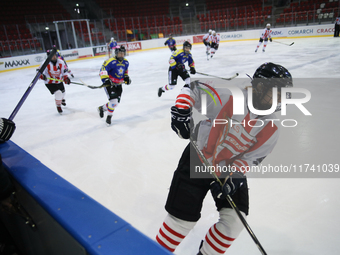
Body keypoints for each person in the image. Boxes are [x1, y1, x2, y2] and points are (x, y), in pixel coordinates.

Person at [156, 62, 293, 255]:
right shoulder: (229, 96)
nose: (280, 98)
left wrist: (236, 176)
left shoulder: (272, 126)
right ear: (260, 87)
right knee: (182, 220)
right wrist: (181, 111)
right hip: (198, 157)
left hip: (227, 169)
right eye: (277, 92)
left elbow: (253, 157)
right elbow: (192, 88)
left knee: (235, 221)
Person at [98, 45, 131, 125]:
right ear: (116, 53)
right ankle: (109, 117)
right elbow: (103, 69)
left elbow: (125, 71)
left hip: (119, 85)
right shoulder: (110, 61)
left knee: (115, 103)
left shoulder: (126, 62)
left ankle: (102, 108)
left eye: (123, 53)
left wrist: (126, 77)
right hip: (110, 84)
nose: (121, 55)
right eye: (120, 53)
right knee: (113, 101)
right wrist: (106, 79)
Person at [38, 49, 71, 114]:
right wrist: (41, 76)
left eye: (55, 55)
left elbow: (64, 71)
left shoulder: (60, 62)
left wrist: (66, 78)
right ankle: (58, 105)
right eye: (52, 55)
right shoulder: (45, 63)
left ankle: (61, 100)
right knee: (58, 93)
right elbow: (38, 71)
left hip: (58, 80)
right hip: (49, 82)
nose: (54, 56)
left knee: (63, 92)